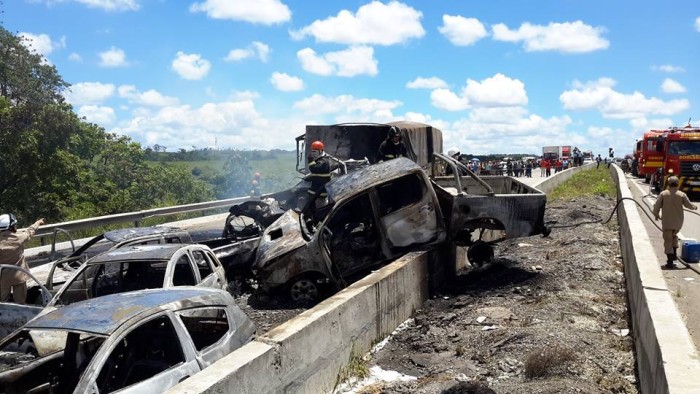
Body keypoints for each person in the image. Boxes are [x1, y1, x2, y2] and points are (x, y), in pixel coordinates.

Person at [653, 176, 698, 268]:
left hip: (667, 222)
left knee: (668, 240)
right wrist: (694, 207)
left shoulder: (663, 194)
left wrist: (656, 214)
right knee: (674, 236)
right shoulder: (681, 194)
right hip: (678, 223)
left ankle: (670, 262)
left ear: (669, 184)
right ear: (677, 184)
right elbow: (689, 205)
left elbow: (656, 206)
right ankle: (674, 257)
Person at [0, 214, 45, 304]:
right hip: (19, 276)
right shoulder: (19, 238)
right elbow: (30, 231)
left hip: (2, 278)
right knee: (20, 303)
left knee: (2, 303)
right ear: (11, 227)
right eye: (15, 225)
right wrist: (38, 223)